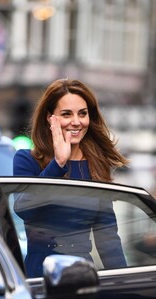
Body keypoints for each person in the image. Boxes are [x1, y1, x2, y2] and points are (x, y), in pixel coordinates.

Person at [13, 78, 129, 277]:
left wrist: (127, 284)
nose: (76, 121)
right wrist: (58, 164)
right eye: (67, 114)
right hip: (41, 276)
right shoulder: (27, 159)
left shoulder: (96, 163)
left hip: (82, 275)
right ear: (50, 118)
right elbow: (24, 208)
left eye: (82, 114)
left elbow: (107, 236)